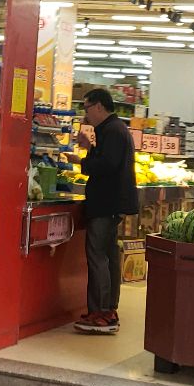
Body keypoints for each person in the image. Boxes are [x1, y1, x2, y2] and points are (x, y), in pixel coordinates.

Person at [74, 89, 138, 335]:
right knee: (108, 255)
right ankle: (108, 310)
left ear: (99, 106)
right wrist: (89, 147)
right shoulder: (115, 129)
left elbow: (106, 165)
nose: (86, 114)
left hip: (106, 203)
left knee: (97, 255)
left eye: (87, 108)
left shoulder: (112, 131)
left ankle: (101, 313)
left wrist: (82, 160)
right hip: (113, 203)